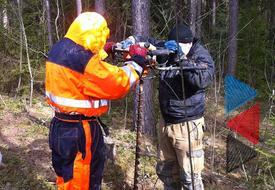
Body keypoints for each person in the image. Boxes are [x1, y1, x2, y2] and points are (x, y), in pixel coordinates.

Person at [45, 12, 148, 190]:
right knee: (82, 181)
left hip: (60, 127)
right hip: (79, 131)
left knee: (66, 177)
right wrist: (137, 63)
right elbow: (117, 83)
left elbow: (80, 64)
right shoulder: (85, 63)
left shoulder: (59, 49)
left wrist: (104, 51)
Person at [155, 24, 215, 190]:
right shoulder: (171, 49)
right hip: (166, 123)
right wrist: (135, 41)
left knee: (190, 177)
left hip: (187, 126)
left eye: (178, 46)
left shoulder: (201, 56)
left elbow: (202, 79)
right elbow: (152, 42)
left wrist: (183, 60)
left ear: (188, 43)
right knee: (168, 174)